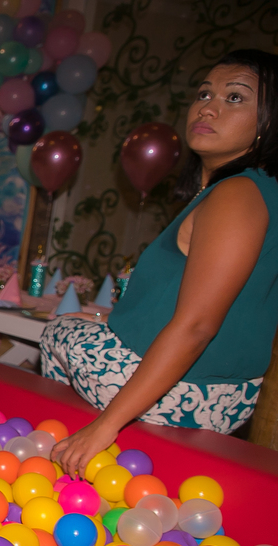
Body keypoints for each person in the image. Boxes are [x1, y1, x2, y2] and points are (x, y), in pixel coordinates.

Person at [42, 49, 278, 476]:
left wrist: (105, 427)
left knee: (59, 330)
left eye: (235, 98)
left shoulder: (237, 194)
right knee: (84, 322)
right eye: (204, 93)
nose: (208, 107)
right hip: (218, 392)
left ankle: (73, 449)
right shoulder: (255, 190)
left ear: (269, 121)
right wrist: (106, 319)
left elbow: (198, 325)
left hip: (195, 392)